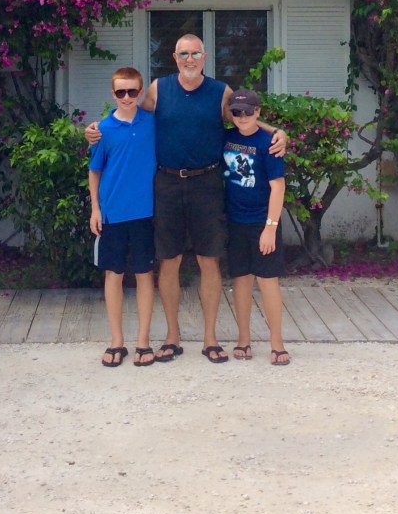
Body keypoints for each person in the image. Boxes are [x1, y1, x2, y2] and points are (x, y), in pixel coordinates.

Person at [85, 33, 286, 364]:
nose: (189, 59)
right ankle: (172, 336)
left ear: (204, 57)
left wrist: (275, 131)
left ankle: (210, 339)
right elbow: (127, 112)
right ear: (174, 57)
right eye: (183, 54)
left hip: (207, 183)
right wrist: (95, 130)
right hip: (166, 183)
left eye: (195, 54)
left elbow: (243, 117)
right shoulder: (158, 89)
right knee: (169, 261)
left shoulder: (219, 91)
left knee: (209, 260)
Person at [89, 67, 156, 368]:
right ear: (113, 93)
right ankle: (117, 341)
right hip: (113, 214)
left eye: (132, 91)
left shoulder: (152, 123)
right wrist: (95, 208)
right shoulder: (103, 130)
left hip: (145, 213)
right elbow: (94, 172)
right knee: (113, 275)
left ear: (141, 92)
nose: (127, 97)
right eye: (120, 92)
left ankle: (143, 341)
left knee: (144, 275)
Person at [223, 88, 290, 365]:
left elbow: (278, 187)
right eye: (237, 112)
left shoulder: (269, 143)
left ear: (257, 112)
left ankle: (277, 343)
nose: (242, 117)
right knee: (241, 280)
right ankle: (243, 339)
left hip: (262, 222)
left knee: (267, 281)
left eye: (248, 112)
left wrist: (270, 228)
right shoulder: (226, 138)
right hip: (234, 222)